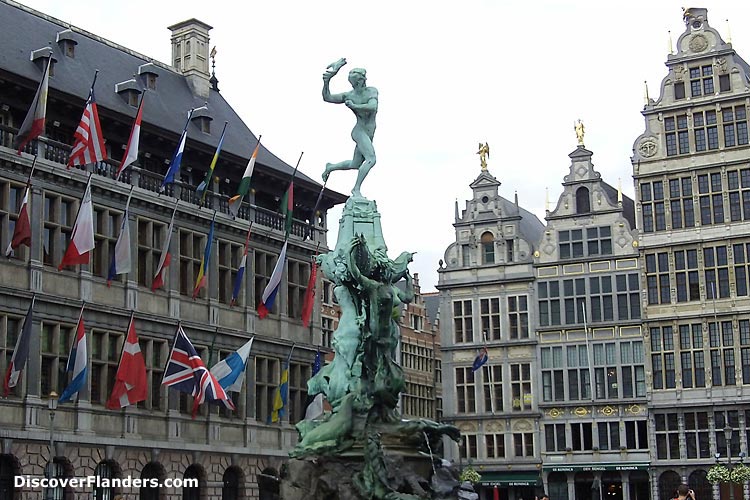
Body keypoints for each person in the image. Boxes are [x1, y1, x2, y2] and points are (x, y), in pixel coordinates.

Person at [322, 58, 378, 197]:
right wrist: (326, 81)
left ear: (361, 81)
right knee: (371, 159)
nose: (353, 86)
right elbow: (327, 97)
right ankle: (356, 189)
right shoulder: (349, 95)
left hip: (369, 131)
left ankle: (331, 167)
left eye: (355, 82)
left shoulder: (371, 91)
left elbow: (373, 107)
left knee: (355, 164)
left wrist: (355, 106)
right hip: (359, 131)